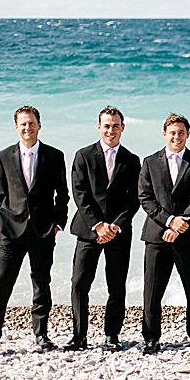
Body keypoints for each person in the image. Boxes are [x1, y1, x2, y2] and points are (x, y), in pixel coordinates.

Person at [0, 106, 69, 357]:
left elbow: (62, 194)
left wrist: (57, 223)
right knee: (0, 283)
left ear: (39, 125)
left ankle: (41, 335)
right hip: (10, 231)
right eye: (23, 124)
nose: (27, 128)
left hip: (42, 230)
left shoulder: (54, 156)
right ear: (16, 127)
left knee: (41, 283)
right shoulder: (3, 156)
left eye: (31, 123)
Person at [63, 107, 140, 352]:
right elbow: (80, 193)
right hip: (89, 230)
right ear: (99, 127)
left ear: (122, 128)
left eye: (115, 125)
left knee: (116, 285)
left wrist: (115, 225)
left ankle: (112, 335)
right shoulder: (83, 155)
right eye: (106, 125)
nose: (111, 130)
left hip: (118, 232)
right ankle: (79, 336)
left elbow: (134, 199)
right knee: (79, 283)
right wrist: (98, 225)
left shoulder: (131, 160)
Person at [138, 113, 190, 354]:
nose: (177, 136)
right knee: (152, 289)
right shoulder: (149, 162)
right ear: (164, 134)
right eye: (172, 132)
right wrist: (169, 222)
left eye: (181, 132)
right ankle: (151, 338)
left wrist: (180, 224)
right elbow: (145, 198)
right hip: (156, 235)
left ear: (188, 134)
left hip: (188, 235)